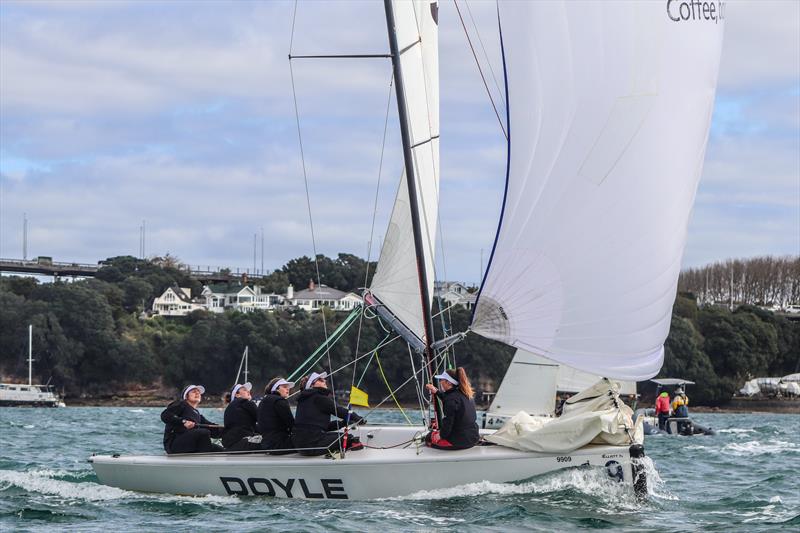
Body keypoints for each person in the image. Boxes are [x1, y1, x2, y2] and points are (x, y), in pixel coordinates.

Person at [292, 371, 365, 456]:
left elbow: (321, 427)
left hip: (300, 446)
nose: (324, 381)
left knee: (342, 437)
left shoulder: (303, 400)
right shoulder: (319, 398)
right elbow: (339, 411)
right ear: (311, 385)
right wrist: (357, 418)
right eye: (320, 380)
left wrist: (343, 423)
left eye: (324, 379)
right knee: (350, 438)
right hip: (312, 445)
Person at [424, 367, 480, 450]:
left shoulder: (451, 399)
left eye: (442, 380)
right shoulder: (466, 394)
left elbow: (448, 422)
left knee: (428, 438)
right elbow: (450, 400)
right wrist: (436, 391)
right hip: (473, 438)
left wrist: (440, 436)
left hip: (459, 441)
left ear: (448, 382)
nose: (440, 382)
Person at [161, 384, 223, 454]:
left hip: (189, 443)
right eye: (194, 391)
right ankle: (204, 460)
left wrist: (228, 429)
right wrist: (183, 422)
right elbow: (165, 415)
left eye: (198, 392)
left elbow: (212, 428)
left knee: (221, 450)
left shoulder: (197, 414)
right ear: (186, 396)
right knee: (204, 433)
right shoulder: (181, 404)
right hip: (173, 445)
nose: (197, 393)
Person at [258, 377, 296, 454]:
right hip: (279, 444)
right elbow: (292, 424)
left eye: (288, 387)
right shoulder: (280, 401)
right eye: (284, 387)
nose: (288, 389)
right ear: (276, 389)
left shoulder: (262, 402)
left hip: (266, 444)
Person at [222, 382, 261, 451]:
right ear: (237, 394)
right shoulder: (245, 402)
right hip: (243, 441)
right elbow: (263, 419)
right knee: (272, 440)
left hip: (229, 444)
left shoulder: (229, 408)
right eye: (244, 390)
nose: (248, 391)